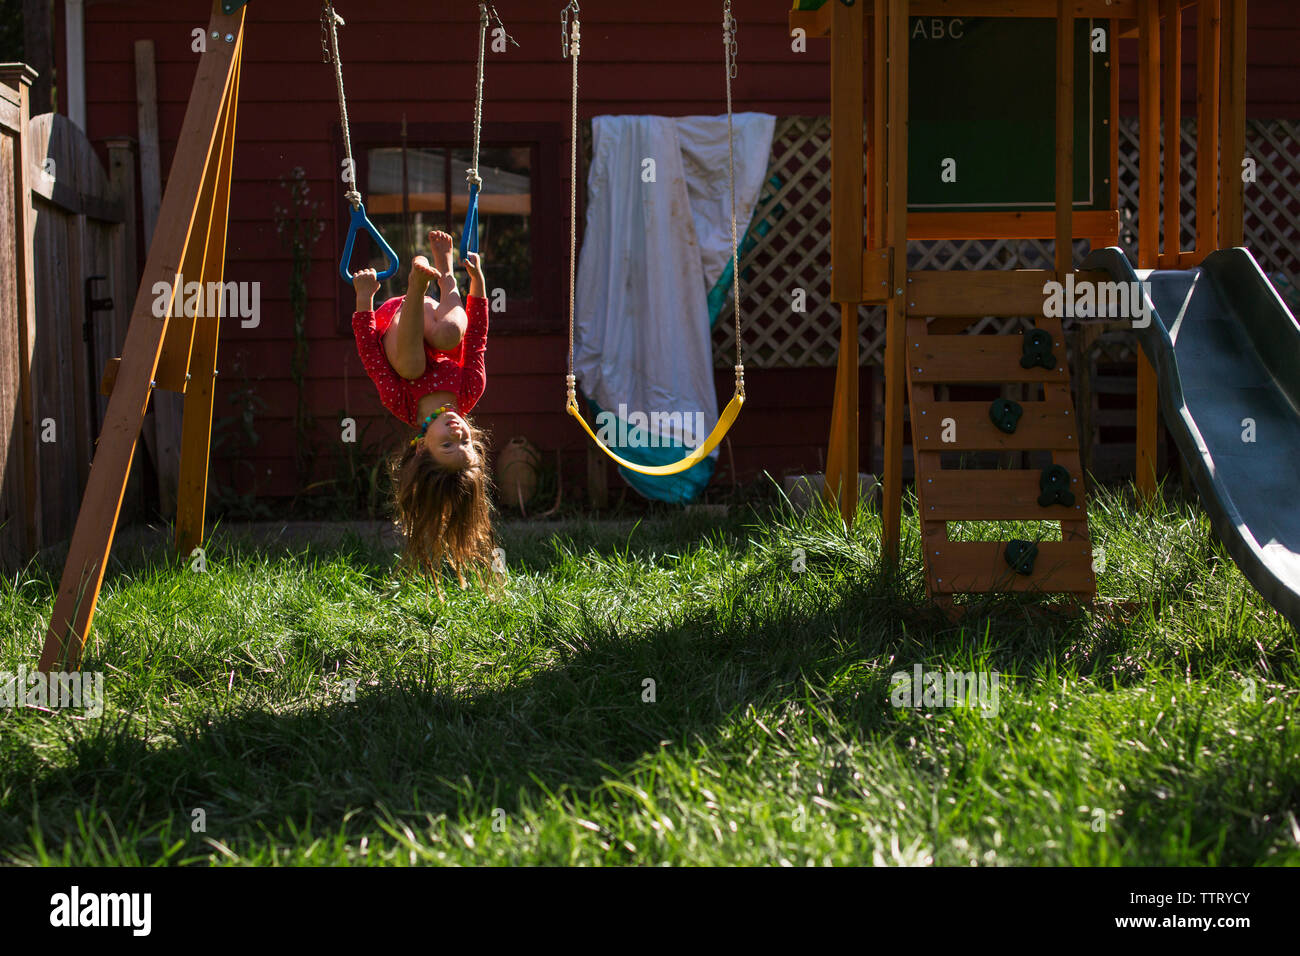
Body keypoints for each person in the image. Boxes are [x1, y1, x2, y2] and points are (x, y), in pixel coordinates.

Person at [351, 230, 494, 582]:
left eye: (447, 444)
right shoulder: (469, 389)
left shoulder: (400, 402)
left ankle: (416, 286)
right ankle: (444, 270)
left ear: (419, 449)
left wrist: (364, 299)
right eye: (466, 444)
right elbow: (476, 338)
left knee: (412, 368)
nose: (458, 433)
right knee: (450, 337)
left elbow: (372, 356)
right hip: (439, 318)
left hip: (398, 321)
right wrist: (478, 285)